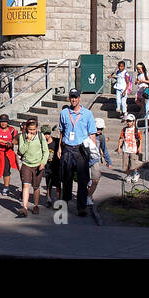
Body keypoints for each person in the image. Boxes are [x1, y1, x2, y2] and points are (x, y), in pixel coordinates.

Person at [57, 88, 97, 216]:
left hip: (81, 150)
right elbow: (61, 132)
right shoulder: (64, 113)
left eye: (75, 97)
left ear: (79, 98)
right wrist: (59, 148)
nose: (73, 99)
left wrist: (94, 151)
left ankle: (81, 207)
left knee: (82, 180)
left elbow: (92, 134)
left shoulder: (87, 114)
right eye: (71, 97)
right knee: (66, 179)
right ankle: (65, 203)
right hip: (67, 148)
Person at [15, 118, 49, 217]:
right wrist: (28, 141)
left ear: (36, 128)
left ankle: (35, 205)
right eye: (30, 129)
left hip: (37, 164)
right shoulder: (22, 137)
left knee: (36, 186)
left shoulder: (40, 136)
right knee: (26, 185)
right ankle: (24, 207)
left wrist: (43, 163)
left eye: (33, 129)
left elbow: (45, 151)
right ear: (27, 129)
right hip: (26, 164)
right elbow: (21, 151)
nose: (32, 132)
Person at [0, 113, 19, 198]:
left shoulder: (12, 130)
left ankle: (6, 188)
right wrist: (5, 142)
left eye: (5, 122)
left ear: (7, 122)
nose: (3, 123)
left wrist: (11, 143)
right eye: (2, 122)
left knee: (6, 171)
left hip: (7, 153)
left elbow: (16, 140)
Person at [86, 118, 112, 199]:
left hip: (95, 160)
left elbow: (104, 149)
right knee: (87, 181)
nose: (99, 130)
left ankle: (89, 195)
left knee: (95, 179)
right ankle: (88, 195)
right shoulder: (87, 135)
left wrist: (108, 161)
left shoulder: (101, 137)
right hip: (86, 161)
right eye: (97, 128)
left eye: (101, 129)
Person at [41, 125, 61, 207]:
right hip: (47, 166)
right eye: (45, 134)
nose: (46, 136)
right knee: (48, 183)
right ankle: (48, 199)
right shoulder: (41, 143)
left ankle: (58, 200)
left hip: (56, 165)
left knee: (58, 184)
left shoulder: (56, 141)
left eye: (48, 133)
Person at [118, 115, 142, 184]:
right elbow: (121, 139)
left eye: (130, 121)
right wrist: (119, 147)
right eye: (127, 121)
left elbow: (140, 139)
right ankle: (128, 175)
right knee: (126, 164)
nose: (128, 122)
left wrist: (139, 148)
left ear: (133, 122)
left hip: (133, 149)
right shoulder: (124, 129)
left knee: (133, 164)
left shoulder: (136, 130)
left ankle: (136, 173)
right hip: (125, 149)